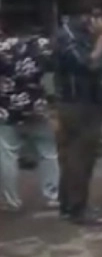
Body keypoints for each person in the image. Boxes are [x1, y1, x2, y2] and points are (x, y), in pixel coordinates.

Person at [54, 10, 102, 225]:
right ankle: (77, 207)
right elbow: (86, 64)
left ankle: (69, 204)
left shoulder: (81, 36)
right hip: (78, 103)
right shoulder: (69, 36)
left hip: (88, 102)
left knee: (75, 156)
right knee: (80, 157)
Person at [0, 26, 58, 212]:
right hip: (36, 106)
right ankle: (52, 196)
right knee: (48, 153)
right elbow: (52, 71)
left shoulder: (2, 48)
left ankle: (11, 200)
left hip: (7, 108)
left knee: (8, 156)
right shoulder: (41, 45)